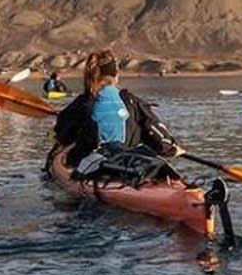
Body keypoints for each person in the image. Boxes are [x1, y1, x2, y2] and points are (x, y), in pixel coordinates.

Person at [50, 50, 182, 180]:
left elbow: (62, 134)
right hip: (125, 161)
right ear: (116, 76)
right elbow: (154, 132)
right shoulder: (132, 101)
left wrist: (63, 145)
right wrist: (172, 148)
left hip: (92, 165)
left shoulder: (81, 103)